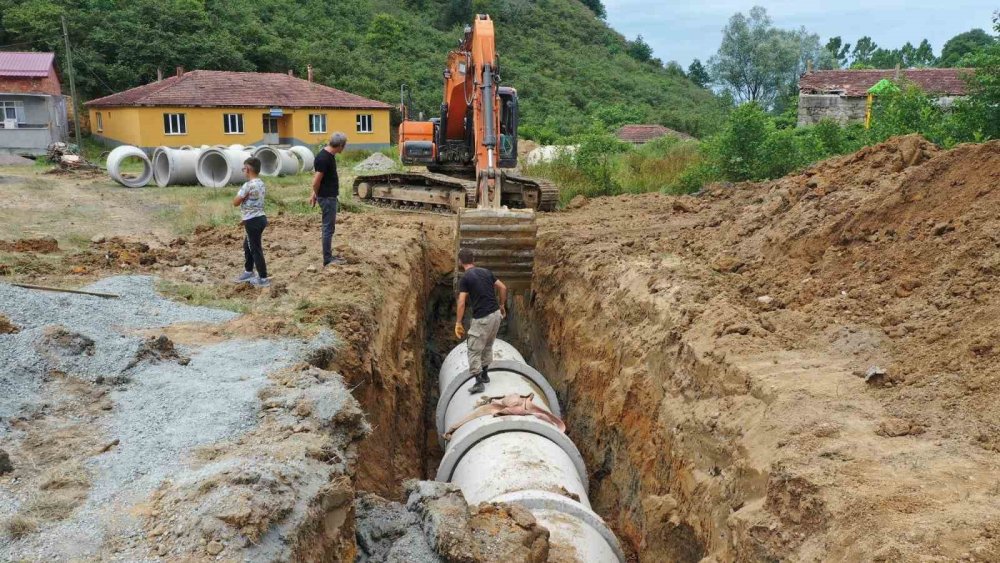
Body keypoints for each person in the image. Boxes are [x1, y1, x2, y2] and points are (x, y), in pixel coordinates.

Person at [455, 248, 507, 394]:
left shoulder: (465, 278)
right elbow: (503, 287)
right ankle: (485, 375)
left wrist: (458, 322)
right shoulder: (486, 272)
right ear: (473, 260)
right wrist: (502, 305)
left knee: (474, 349)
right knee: (488, 345)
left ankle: (478, 382)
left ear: (460, 262)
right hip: (496, 315)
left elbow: (461, 302)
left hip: (482, 318)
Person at [311, 132, 348, 267]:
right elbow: (316, 182)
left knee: (329, 228)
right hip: (327, 198)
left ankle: (329, 256)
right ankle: (327, 259)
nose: (344, 148)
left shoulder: (328, 155)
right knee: (328, 228)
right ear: (340, 145)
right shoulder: (324, 158)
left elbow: (319, 180)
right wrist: (315, 193)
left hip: (327, 196)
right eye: (344, 145)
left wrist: (314, 194)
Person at [232, 157, 270, 287]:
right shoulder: (261, 183)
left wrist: (242, 199)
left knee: (255, 249)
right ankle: (248, 271)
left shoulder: (248, 185)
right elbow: (253, 203)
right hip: (260, 218)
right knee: (247, 245)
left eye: (244, 169)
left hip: (253, 221)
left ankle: (263, 278)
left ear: (248, 169)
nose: (243, 171)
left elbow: (235, 202)